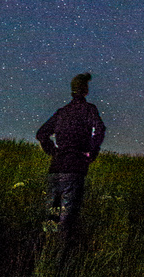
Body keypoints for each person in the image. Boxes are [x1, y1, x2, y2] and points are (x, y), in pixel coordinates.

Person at [36, 72, 106, 247]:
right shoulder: (89, 109)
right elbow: (100, 130)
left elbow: (41, 133)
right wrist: (92, 151)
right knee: (67, 216)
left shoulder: (62, 112)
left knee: (52, 212)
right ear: (85, 91)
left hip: (56, 168)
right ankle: (61, 253)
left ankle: (47, 248)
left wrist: (53, 151)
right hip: (74, 168)